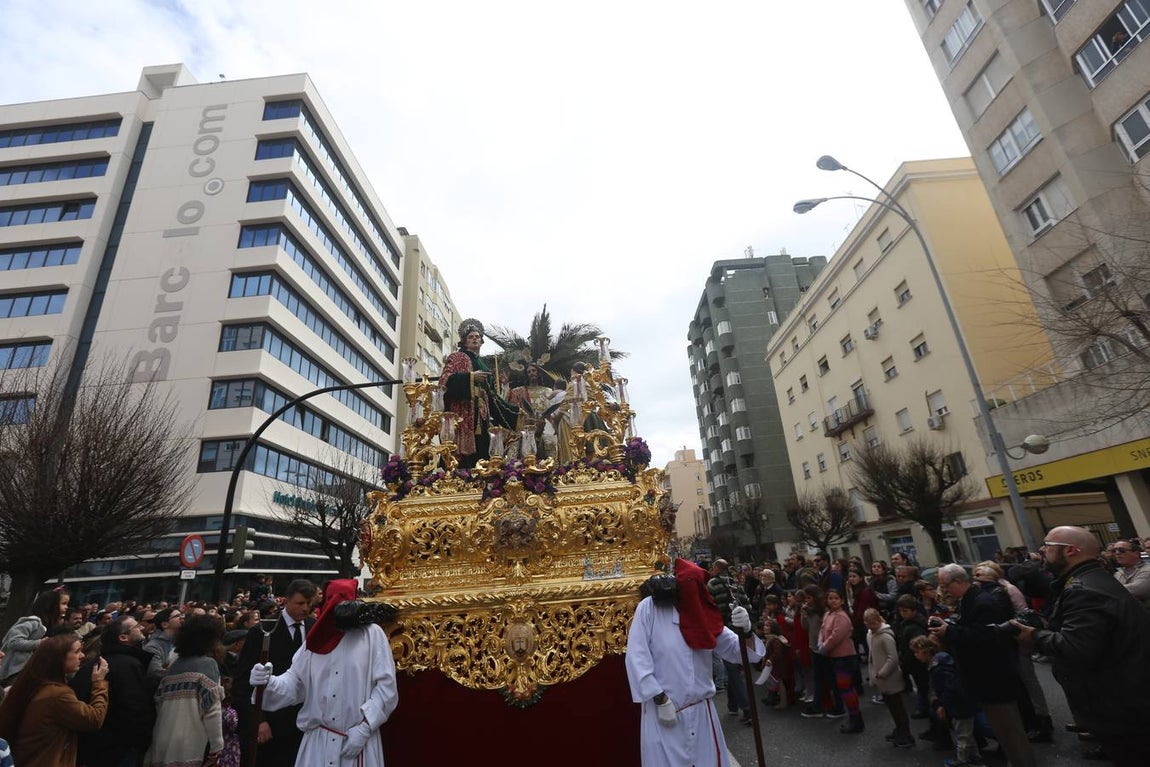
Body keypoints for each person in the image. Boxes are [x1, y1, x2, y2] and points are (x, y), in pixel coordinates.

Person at [1011, 526, 1150, 767]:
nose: (1042, 550)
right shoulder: (1092, 579)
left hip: (1119, 707)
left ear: (1072, 550)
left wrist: (1034, 635)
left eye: (1048, 545)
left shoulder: (1083, 590)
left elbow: (1077, 647)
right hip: (1123, 701)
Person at [626, 559, 763, 767]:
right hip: (664, 713)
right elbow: (637, 657)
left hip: (702, 716)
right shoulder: (650, 609)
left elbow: (740, 652)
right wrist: (659, 699)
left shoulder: (702, 612)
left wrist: (747, 631)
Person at [250, 580, 397, 767]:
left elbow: (386, 687)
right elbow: (294, 683)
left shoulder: (371, 635)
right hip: (318, 744)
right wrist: (268, 681)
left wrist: (366, 727)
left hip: (356, 742)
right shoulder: (315, 638)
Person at [930, 563, 1036, 767]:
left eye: (945, 585)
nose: (943, 590)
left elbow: (986, 637)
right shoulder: (970, 599)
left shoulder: (982, 602)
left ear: (959, 581)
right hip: (986, 677)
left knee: (1009, 732)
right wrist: (950, 625)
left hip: (994, 677)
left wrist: (949, 632)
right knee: (1003, 731)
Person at [233, 579, 317, 767]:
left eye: (309, 604)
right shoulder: (264, 630)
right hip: (270, 723)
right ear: (286, 601)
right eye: (300, 603)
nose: (305, 609)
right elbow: (244, 680)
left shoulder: (314, 628)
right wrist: (259, 720)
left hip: (303, 721)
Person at [0, 633, 109, 767]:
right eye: (77, 651)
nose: (82, 656)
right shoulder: (57, 694)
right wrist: (99, 683)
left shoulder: (36, 684)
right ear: (58, 658)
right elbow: (94, 719)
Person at [71, 615, 155, 767]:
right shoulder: (128, 665)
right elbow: (134, 708)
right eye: (136, 627)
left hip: (96, 746)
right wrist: (143, 739)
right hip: (118, 748)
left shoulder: (96, 663)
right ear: (123, 637)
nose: (141, 628)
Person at [144, 615, 225, 767]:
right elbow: (212, 710)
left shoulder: (174, 666)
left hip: (162, 740)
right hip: (190, 744)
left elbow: (158, 703)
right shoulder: (208, 665)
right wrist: (217, 744)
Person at [911, 635, 981, 767]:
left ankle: (962, 760)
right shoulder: (941, 663)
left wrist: (943, 705)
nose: (915, 655)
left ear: (926, 651)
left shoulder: (938, 668)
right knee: (966, 734)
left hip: (960, 706)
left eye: (917, 652)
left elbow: (949, 689)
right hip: (959, 705)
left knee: (962, 736)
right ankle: (973, 757)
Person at [704, 559, 752, 722]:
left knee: (732, 668)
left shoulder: (711, 584)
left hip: (723, 629)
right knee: (733, 666)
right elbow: (748, 606)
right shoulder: (735, 584)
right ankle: (732, 705)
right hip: (739, 627)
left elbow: (708, 607)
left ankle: (747, 709)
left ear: (717, 568)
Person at [864, 608, 912, 748]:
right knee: (891, 706)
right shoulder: (871, 634)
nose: (870, 627)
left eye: (872, 624)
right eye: (867, 624)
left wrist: (883, 672)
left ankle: (906, 734)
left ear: (879, 621)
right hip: (881, 677)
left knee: (897, 707)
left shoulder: (885, 636)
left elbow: (893, 658)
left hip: (890, 677)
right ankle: (899, 730)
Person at [818, 589, 864, 734]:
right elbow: (823, 630)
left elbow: (836, 636)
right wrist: (820, 642)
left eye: (836, 598)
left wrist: (824, 646)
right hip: (834, 657)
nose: (832, 601)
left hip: (845, 657)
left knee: (847, 689)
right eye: (830, 598)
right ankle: (853, 718)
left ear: (842, 600)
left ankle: (856, 719)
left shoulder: (842, 617)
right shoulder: (827, 614)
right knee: (842, 689)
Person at [0, 590, 69, 685]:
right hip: (15, 673)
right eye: (64, 603)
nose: (67, 607)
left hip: (30, 671)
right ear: (51, 605)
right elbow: (13, 642)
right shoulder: (32, 623)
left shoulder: (49, 626)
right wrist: (40, 643)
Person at [142, 607, 182, 681]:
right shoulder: (153, 647)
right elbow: (155, 673)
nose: (182, 618)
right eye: (177, 616)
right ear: (165, 624)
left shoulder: (180, 641)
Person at [1112, 539, 1150, 610]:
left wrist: (1109, 589)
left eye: (1122, 550)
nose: (1117, 553)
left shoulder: (1147, 570)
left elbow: (1136, 590)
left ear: (1136, 553)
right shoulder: (1118, 573)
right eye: (1114, 551)